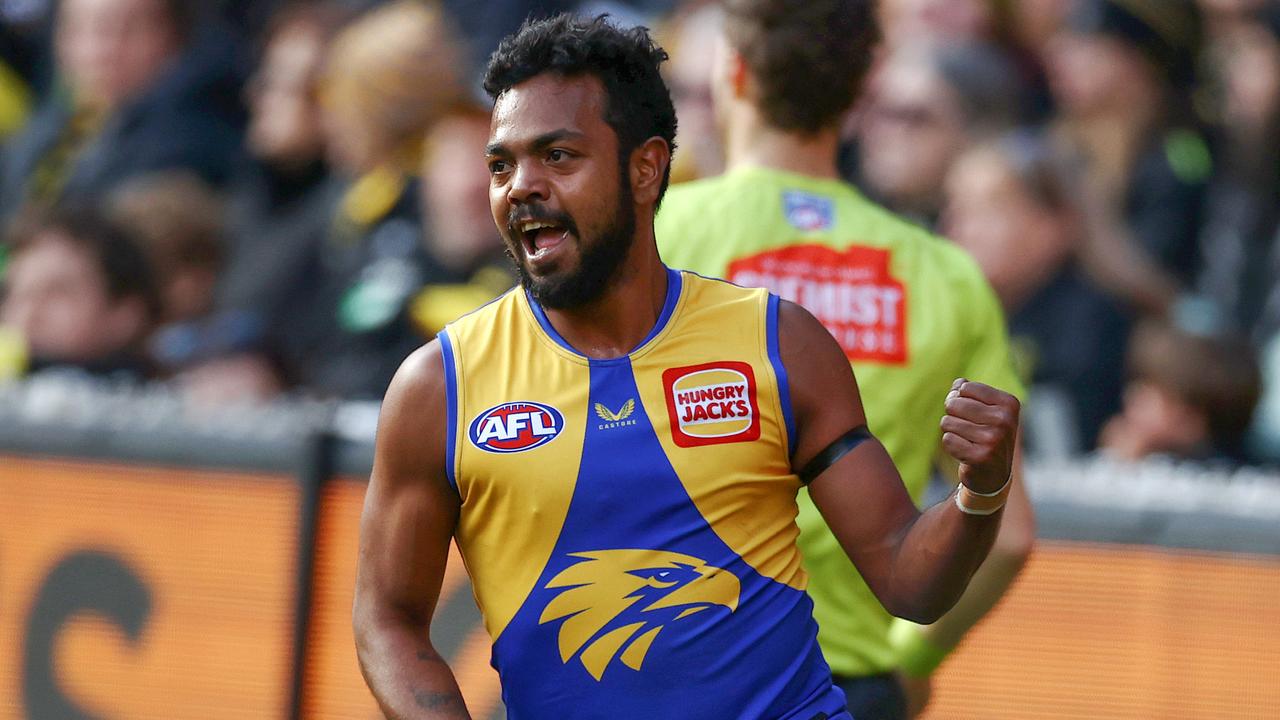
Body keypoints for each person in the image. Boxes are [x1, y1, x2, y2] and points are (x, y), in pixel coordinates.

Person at [354, 14, 1021, 720]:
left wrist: (979, 493)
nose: (520, 186)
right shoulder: (440, 385)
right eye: (501, 164)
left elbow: (906, 578)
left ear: (646, 168)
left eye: (557, 156)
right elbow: (387, 619)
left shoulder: (780, 343)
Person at [654, 2, 1034, 718]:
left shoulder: (654, 230)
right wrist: (913, 656)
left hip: (672, 664)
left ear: (733, 71)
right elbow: (1007, 529)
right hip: (848, 685)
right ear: (862, 92)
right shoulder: (944, 273)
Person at [942, 133, 1131, 454]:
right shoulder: (941, 310)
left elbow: (1067, 444)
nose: (958, 228)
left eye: (989, 209)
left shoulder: (1093, 322)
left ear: (1053, 227)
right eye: (954, 207)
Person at [0, 204, 161, 381]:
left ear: (126, 315)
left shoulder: (172, 399)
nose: (28, 315)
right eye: (18, 295)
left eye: (57, 293)